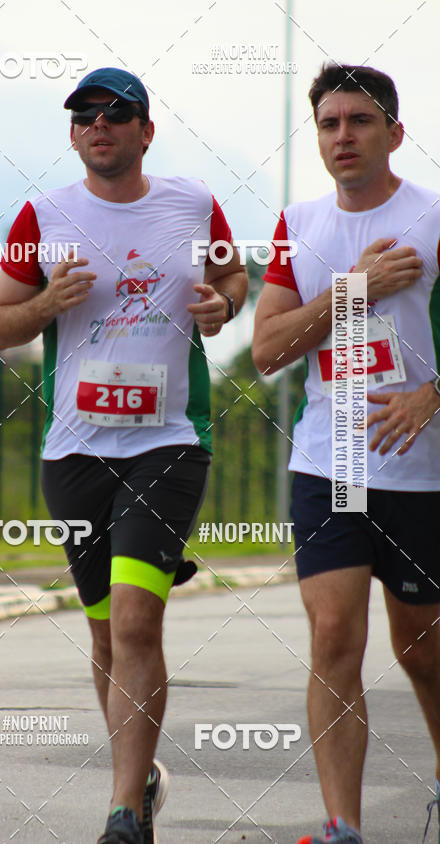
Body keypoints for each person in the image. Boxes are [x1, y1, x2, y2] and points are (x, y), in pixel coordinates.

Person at [0, 67, 247, 844]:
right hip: (75, 451)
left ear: (145, 131)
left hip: (168, 440)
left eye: (117, 112)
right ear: (73, 135)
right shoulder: (45, 214)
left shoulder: (192, 204)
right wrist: (45, 304)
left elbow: (234, 273)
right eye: (85, 115)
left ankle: (123, 814)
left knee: (136, 622)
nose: (99, 124)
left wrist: (223, 303)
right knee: (104, 633)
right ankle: (141, 780)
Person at [252, 63, 440, 844]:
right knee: (334, 636)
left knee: (422, 647)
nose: (342, 137)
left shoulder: (433, 216)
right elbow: (266, 348)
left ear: (393, 133)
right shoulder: (299, 225)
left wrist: (435, 393)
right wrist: (348, 291)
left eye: (359, 121)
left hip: (424, 468)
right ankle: (343, 827)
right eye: (329, 124)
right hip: (331, 462)